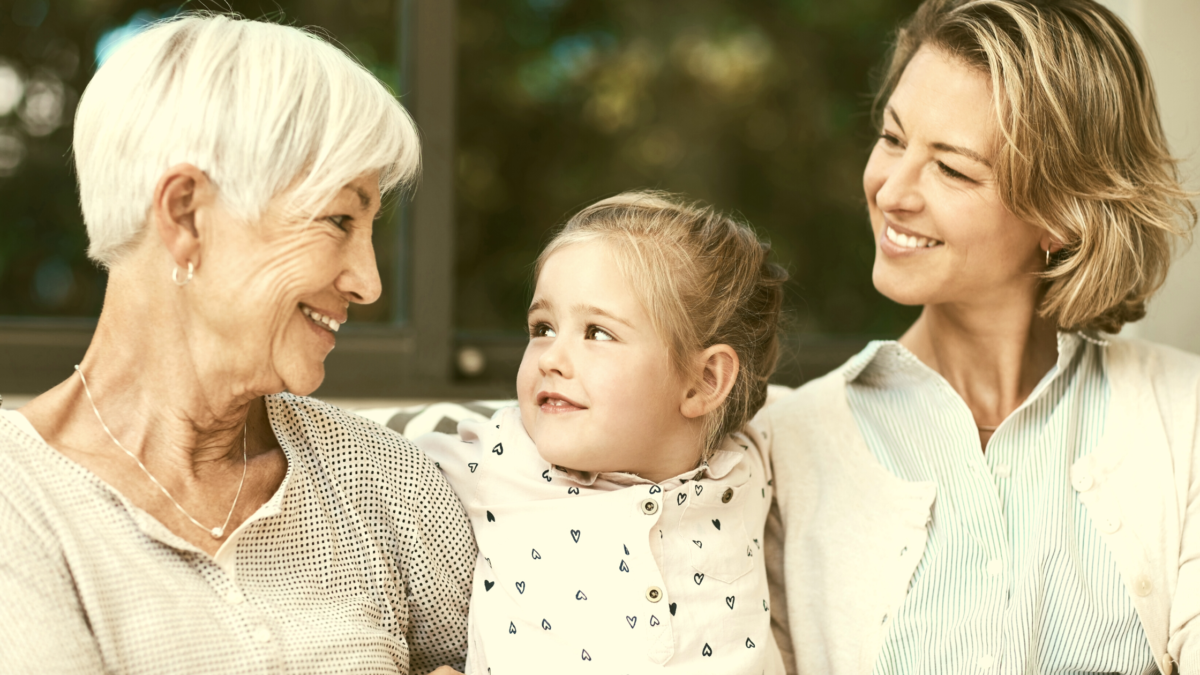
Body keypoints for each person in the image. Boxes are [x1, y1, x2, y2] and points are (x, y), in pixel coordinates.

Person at [0, 14, 474, 674]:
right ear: (186, 214)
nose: (368, 281)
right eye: (339, 219)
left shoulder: (384, 479)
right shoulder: (16, 500)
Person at [762, 0, 1200, 673]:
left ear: (1063, 214)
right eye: (892, 138)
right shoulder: (784, 447)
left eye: (954, 168)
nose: (892, 190)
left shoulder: (1183, 418)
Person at [415, 192, 789, 673]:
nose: (551, 358)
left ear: (705, 382)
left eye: (597, 333)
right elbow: (362, 465)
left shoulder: (749, 460)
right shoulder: (501, 457)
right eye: (542, 327)